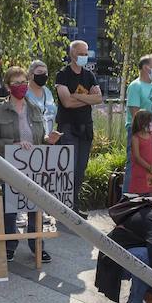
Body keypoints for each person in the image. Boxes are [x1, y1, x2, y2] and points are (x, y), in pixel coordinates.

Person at [0, 65, 58, 263]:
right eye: (16, 83)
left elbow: (39, 137)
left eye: (24, 82)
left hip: (33, 168)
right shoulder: (0, 110)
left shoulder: (34, 108)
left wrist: (48, 139)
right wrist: (15, 145)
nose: (21, 86)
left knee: (35, 207)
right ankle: (9, 246)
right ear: (8, 86)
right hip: (9, 167)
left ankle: (37, 246)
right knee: (10, 209)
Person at [55, 40, 104, 214]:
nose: (85, 56)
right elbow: (66, 102)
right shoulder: (62, 75)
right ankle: (64, 209)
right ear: (72, 54)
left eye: (86, 53)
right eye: (81, 53)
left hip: (86, 128)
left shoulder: (89, 75)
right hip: (68, 127)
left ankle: (74, 206)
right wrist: (86, 98)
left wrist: (76, 95)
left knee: (80, 169)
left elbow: (99, 99)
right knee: (68, 168)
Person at [124, 55, 152, 190]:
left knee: (151, 164)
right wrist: (146, 129)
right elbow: (135, 112)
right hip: (137, 132)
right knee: (134, 164)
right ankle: (128, 198)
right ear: (146, 67)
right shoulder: (135, 86)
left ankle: (149, 197)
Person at [126, 110, 152, 196]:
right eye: (150, 121)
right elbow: (137, 157)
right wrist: (149, 167)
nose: (151, 124)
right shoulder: (135, 138)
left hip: (151, 171)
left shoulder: (151, 135)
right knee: (140, 193)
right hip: (141, 171)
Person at [26, 59, 57, 135]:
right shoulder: (24, 92)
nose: (43, 75)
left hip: (47, 139)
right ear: (31, 74)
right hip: (29, 138)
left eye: (45, 73)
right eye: (39, 72)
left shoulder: (47, 92)